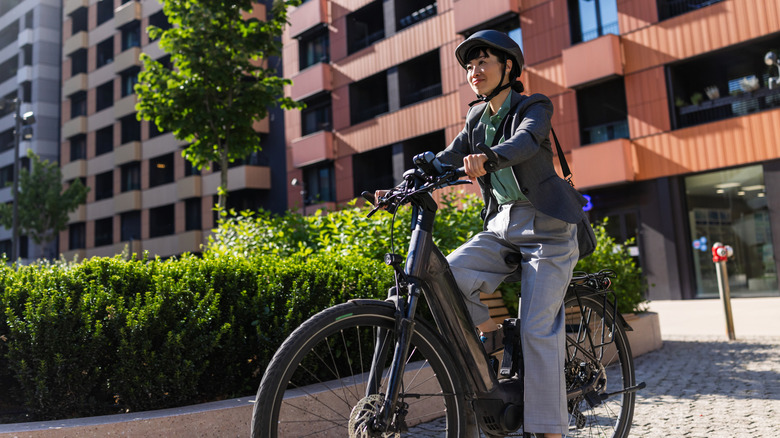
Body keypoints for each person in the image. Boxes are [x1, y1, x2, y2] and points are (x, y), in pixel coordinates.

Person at [436, 30, 592, 438]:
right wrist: (404, 181)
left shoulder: (533, 105)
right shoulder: (475, 118)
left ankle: (549, 431)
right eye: (470, 66)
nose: (475, 72)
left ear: (509, 67)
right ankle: (489, 347)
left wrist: (489, 156)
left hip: (548, 230)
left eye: (484, 62)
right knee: (447, 276)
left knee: (536, 327)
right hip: (503, 226)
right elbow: (446, 158)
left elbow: (525, 142)